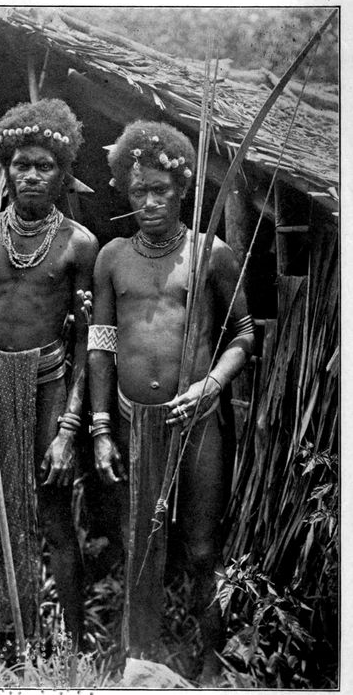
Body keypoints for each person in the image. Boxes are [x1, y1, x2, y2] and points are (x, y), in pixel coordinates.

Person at [87, 120, 255, 681]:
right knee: (139, 548)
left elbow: (244, 333)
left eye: (161, 190)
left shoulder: (212, 253)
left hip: (197, 422)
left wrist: (211, 386)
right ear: (125, 192)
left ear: (182, 188)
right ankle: (140, 664)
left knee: (203, 550)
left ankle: (212, 666)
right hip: (133, 423)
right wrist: (102, 428)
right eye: (140, 191)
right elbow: (101, 344)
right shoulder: (112, 257)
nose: (151, 202)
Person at [0, 98, 98, 646]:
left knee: (54, 517)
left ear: (63, 174)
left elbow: (85, 342)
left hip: (47, 384)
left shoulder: (79, 244)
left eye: (45, 166)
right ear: (6, 169)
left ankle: (75, 648)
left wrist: (67, 430)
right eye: (22, 165)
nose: (32, 175)